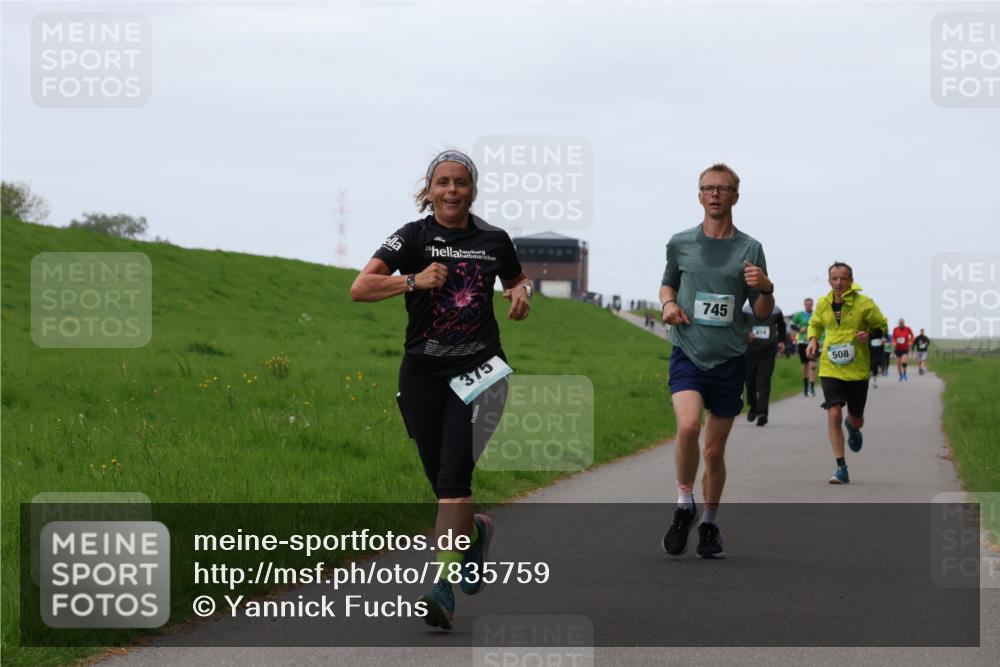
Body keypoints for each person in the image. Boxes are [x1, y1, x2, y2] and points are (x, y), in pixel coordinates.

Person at [350, 150, 532, 630]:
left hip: (480, 373)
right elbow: (360, 287)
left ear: (473, 190)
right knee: (441, 483)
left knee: (454, 482)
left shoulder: (494, 239)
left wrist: (522, 293)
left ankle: (442, 587)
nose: (452, 190)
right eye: (443, 182)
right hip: (422, 376)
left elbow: (517, 279)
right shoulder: (412, 236)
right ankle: (474, 533)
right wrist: (413, 280)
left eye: (461, 182)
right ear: (429, 191)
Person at [659, 163, 774, 559]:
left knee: (713, 452)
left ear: (735, 197)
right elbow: (668, 283)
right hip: (688, 351)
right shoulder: (680, 243)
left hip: (728, 358)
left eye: (723, 189)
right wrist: (669, 304)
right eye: (708, 188)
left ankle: (708, 523)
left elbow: (761, 311)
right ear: (699, 195)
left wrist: (766, 288)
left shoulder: (750, 248)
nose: (714, 194)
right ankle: (683, 504)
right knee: (688, 426)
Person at [806, 262, 887, 485]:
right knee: (833, 413)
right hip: (830, 366)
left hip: (857, 369)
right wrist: (812, 340)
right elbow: (815, 324)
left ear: (851, 280)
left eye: (843, 278)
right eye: (834, 278)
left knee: (856, 418)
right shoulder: (823, 303)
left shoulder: (865, 303)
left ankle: (852, 427)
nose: (839, 282)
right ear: (829, 281)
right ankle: (841, 467)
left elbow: (882, 326)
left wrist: (869, 335)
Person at [742, 302, 786, 426]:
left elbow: (781, 326)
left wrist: (782, 341)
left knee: (764, 382)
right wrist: (746, 333)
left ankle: (762, 414)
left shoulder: (776, 310)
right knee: (750, 382)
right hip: (749, 350)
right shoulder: (746, 310)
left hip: (768, 351)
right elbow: (739, 325)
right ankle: (753, 406)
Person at [790, 298, 817, 397]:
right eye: (806, 304)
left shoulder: (816, 314)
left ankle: (812, 387)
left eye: (810, 304)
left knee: (812, 364)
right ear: (804, 305)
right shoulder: (799, 315)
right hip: (802, 342)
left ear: (812, 305)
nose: (808, 306)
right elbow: (792, 325)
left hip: (813, 341)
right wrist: (799, 329)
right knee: (805, 365)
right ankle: (806, 387)